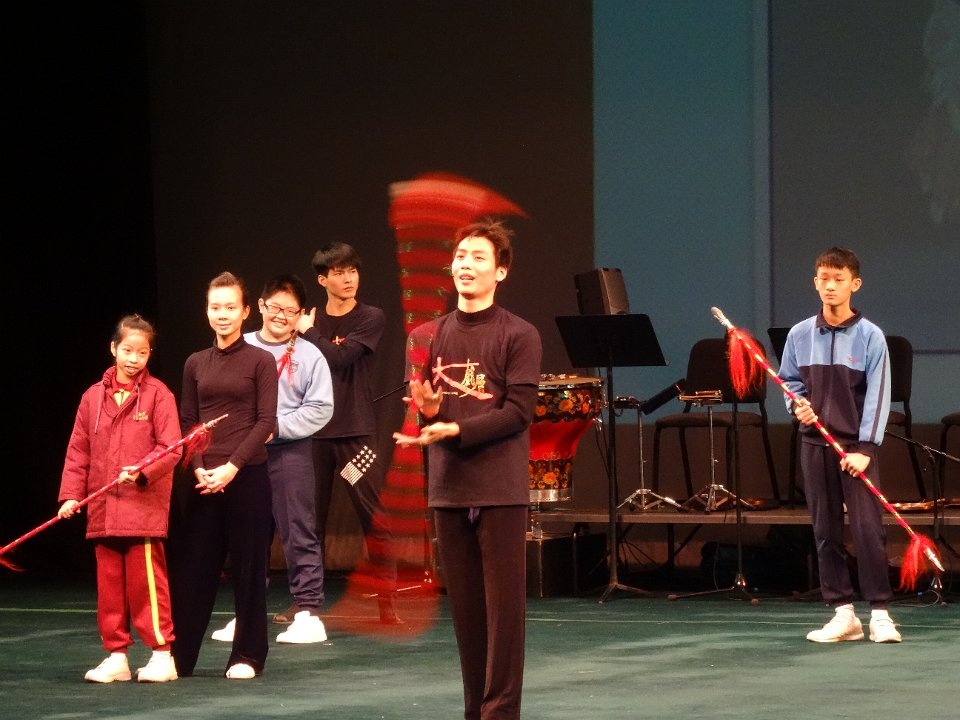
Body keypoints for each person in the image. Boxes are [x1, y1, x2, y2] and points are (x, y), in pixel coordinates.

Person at [394, 218, 542, 719]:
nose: (466, 265)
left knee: (504, 617)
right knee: (466, 617)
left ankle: (501, 713)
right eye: (460, 256)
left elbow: (518, 412)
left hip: (499, 488)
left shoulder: (519, 333)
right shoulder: (427, 336)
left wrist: (455, 428)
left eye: (479, 257)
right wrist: (430, 416)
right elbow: (425, 412)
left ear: (500, 271)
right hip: (449, 488)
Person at [778, 246, 900, 643]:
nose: (830, 286)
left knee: (867, 530)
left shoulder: (870, 337)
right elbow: (790, 382)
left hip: (855, 448)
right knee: (825, 530)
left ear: (854, 284)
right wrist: (797, 406)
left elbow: (879, 395)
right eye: (824, 279)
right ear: (815, 282)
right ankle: (843, 613)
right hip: (815, 444)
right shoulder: (799, 334)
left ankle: (879, 613)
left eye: (839, 279)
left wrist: (865, 450)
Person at [211, 273, 335, 644]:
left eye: (291, 311)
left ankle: (308, 611)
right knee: (248, 534)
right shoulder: (242, 346)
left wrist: (277, 427)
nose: (281, 316)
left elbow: (321, 407)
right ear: (261, 307)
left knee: (298, 530)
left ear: (301, 315)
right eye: (275, 307)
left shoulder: (310, 355)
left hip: (289, 452)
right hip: (244, 456)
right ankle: (248, 614)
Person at [58, 314, 181, 684]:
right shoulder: (91, 398)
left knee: (147, 586)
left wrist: (142, 469)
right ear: (113, 348)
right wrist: (70, 496)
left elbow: (172, 448)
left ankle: (162, 655)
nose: (133, 359)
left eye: (142, 353)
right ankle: (117, 656)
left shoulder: (158, 394)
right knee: (110, 589)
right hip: (103, 510)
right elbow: (78, 452)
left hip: (142, 510)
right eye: (127, 350)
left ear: (149, 355)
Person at [169, 271, 279, 679]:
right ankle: (179, 657)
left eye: (231, 307)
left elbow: (266, 421)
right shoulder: (195, 362)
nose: (223, 314)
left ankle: (247, 656)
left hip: (247, 476)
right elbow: (189, 420)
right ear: (207, 311)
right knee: (194, 571)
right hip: (203, 480)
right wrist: (199, 466)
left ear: (246, 311)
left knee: (249, 571)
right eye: (216, 307)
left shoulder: (261, 360)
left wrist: (232, 467)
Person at [293, 242, 401, 625]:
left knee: (372, 516)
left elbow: (338, 358)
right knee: (310, 521)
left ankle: (387, 603)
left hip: (354, 437)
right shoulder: (309, 320)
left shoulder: (369, 317)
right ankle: (305, 603)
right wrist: (304, 331)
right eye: (338, 273)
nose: (348, 278)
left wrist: (307, 333)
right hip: (314, 437)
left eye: (352, 270)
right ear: (323, 280)